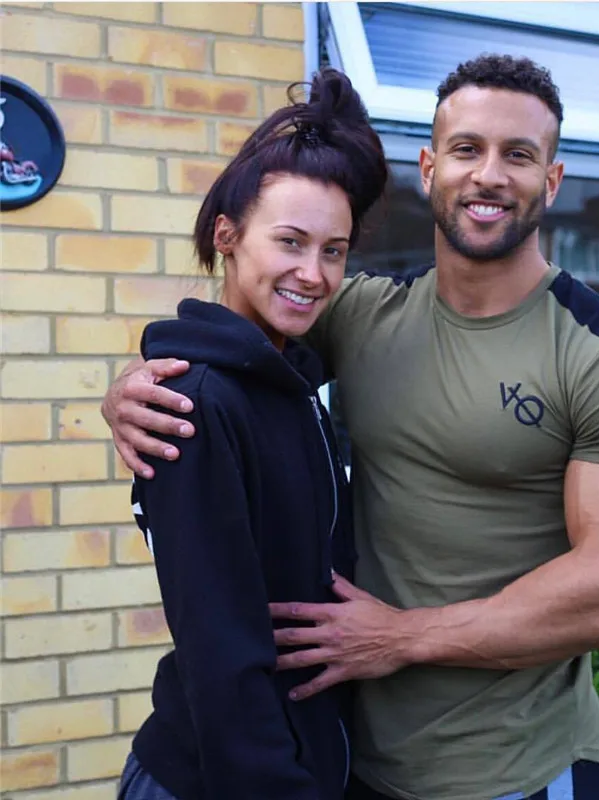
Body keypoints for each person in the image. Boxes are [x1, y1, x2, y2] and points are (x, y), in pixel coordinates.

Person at [105, 55, 599, 800]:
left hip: (510, 768)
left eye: (518, 155)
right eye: (467, 148)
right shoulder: (361, 314)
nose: (488, 175)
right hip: (349, 757)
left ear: (551, 180)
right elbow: (236, 346)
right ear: (429, 167)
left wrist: (401, 637)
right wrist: (134, 387)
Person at [115, 68, 388, 800]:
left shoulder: (290, 388)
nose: (313, 273)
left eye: (334, 250)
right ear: (227, 235)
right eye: (290, 241)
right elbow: (221, 650)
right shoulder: (196, 405)